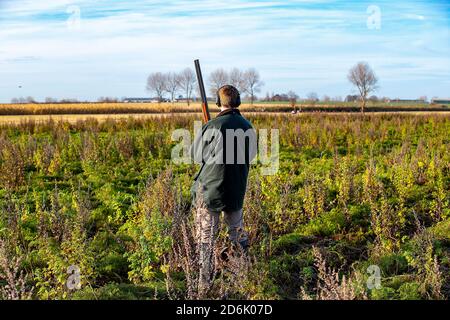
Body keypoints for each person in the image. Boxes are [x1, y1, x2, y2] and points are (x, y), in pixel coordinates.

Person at [191, 84, 256, 295]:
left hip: (210, 189)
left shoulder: (213, 126)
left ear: (218, 103)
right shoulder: (247, 126)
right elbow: (251, 155)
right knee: (237, 232)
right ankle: (244, 276)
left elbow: (196, 156)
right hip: (236, 188)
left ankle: (204, 284)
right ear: (238, 102)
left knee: (206, 237)